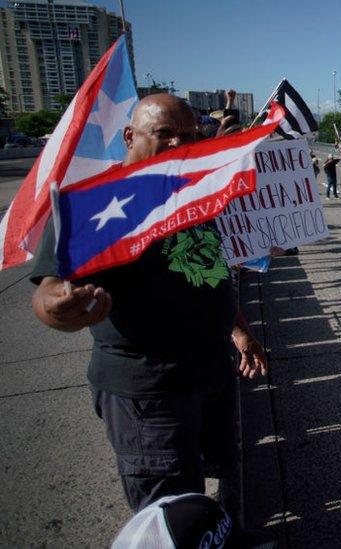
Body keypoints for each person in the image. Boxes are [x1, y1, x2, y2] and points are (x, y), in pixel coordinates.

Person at [30, 94, 267, 513]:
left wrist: (239, 329)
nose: (180, 144)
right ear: (128, 136)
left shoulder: (190, 191)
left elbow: (209, 273)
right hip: (150, 393)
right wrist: (60, 307)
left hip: (210, 374)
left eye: (191, 135)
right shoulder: (95, 203)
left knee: (219, 481)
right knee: (170, 509)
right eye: (165, 134)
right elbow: (48, 290)